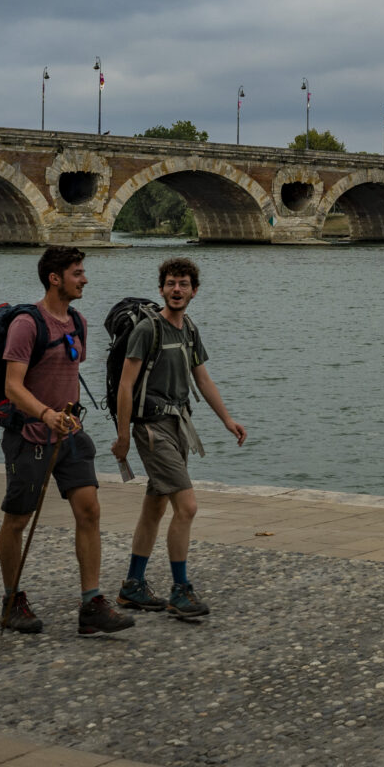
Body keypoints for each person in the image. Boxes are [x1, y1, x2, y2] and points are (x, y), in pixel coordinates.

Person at [0, 247, 133, 637]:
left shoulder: (78, 322)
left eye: (83, 272)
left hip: (69, 435)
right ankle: (12, 599)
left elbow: (68, 370)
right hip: (30, 435)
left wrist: (63, 418)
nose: (84, 279)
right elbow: (12, 386)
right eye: (77, 272)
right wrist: (45, 414)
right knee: (17, 520)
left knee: (89, 511)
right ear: (55, 278)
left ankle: (91, 603)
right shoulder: (26, 324)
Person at [112, 255, 246, 619]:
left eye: (183, 284)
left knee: (156, 505)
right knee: (187, 507)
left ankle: (132, 585)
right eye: (170, 283)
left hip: (178, 425)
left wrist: (227, 420)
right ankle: (179, 590)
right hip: (151, 428)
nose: (176, 289)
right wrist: (123, 436)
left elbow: (202, 379)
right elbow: (125, 386)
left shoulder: (189, 329)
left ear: (194, 291)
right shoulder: (147, 330)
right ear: (161, 289)